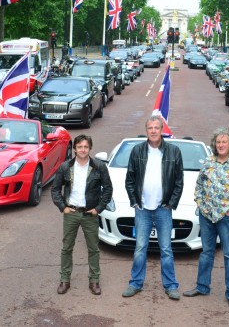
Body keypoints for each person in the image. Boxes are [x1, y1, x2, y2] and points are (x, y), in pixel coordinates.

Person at [183, 127, 229, 309]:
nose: (221, 145)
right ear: (214, 144)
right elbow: (198, 186)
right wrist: (200, 203)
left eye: (224, 142)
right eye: (218, 142)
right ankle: (202, 287)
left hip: (226, 218)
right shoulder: (208, 162)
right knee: (206, 253)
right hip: (207, 216)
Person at [122, 115, 184, 301]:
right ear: (147, 130)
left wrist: (171, 203)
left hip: (163, 209)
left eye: (157, 127)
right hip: (142, 209)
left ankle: (171, 285)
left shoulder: (174, 152)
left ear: (162, 130)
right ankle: (135, 283)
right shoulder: (137, 151)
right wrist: (134, 201)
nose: (154, 131)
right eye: (150, 128)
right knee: (140, 247)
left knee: (166, 248)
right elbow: (130, 180)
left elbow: (179, 182)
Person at [51, 134, 113, 296]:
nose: (83, 150)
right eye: (79, 147)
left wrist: (98, 208)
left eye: (86, 147)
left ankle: (94, 281)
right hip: (71, 213)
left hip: (90, 214)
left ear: (90, 148)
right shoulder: (65, 167)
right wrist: (62, 207)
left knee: (93, 249)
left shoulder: (99, 167)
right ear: (75, 149)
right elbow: (55, 189)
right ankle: (65, 280)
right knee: (67, 248)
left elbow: (108, 190)